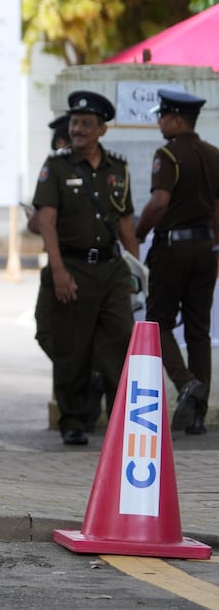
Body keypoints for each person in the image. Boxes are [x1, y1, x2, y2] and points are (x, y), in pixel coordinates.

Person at [32, 90, 137, 447]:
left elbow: (125, 224)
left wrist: (135, 270)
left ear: (101, 130)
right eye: (75, 123)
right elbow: (46, 222)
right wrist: (58, 272)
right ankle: (74, 421)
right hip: (73, 268)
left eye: (86, 124)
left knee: (119, 343)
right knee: (71, 349)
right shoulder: (55, 167)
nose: (78, 129)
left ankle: (119, 423)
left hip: (111, 271)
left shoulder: (117, 169)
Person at [134, 89, 219, 436]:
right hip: (205, 247)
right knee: (199, 330)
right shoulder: (214, 155)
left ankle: (185, 383)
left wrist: (139, 232)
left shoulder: (167, 154)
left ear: (176, 119)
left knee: (158, 321)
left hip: (173, 249)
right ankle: (197, 416)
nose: (159, 122)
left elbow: (159, 202)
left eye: (162, 116)